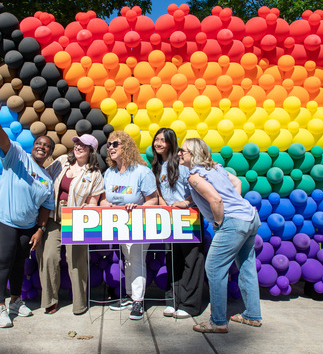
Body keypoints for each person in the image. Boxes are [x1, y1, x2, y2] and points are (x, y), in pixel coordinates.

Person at [179, 138, 262, 333]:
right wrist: (188, 202)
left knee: (214, 268)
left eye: (183, 151)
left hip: (232, 223)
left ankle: (217, 321)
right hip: (250, 217)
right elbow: (236, 182)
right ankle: (253, 315)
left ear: (193, 153)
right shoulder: (215, 168)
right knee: (247, 268)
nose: (179, 154)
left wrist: (218, 223)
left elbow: (215, 199)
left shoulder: (194, 175)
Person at [0, 104, 55, 328]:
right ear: (33, 147)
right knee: (3, 261)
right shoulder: (17, 154)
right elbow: (2, 140)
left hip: (27, 226)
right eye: (39, 143)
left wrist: (40, 229)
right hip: (2, 218)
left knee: (19, 264)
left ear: (50, 153)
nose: (42, 147)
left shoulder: (47, 179)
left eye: (47, 146)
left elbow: (46, 206)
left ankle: (15, 301)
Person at [37, 134, 104, 315]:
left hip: (76, 220)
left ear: (91, 150)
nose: (78, 147)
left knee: (76, 262)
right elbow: (43, 178)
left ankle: (79, 303)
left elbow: (94, 201)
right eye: (77, 143)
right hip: (54, 217)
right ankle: (50, 300)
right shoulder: (62, 161)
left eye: (84, 145)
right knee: (49, 257)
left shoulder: (94, 173)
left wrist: (88, 208)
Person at [100, 131, 158, 320]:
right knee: (127, 260)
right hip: (118, 226)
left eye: (115, 144)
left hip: (139, 224)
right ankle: (129, 296)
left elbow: (153, 200)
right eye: (108, 145)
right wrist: (104, 205)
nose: (110, 148)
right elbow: (103, 200)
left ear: (126, 146)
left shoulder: (142, 171)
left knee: (137, 259)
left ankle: (138, 302)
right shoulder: (109, 173)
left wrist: (138, 207)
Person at [151, 128, 204, 319]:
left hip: (190, 218)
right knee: (172, 259)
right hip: (169, 218)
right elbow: (158, 191)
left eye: (163, 140)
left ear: (171, 143)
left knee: (191, 261)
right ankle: (172, 300)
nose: (159, 143)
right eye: (156, 139)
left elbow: (198, 189)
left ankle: (190, 305)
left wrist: (186, 203)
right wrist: (165, 206)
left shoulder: (182, 165)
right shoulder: (156, 165)